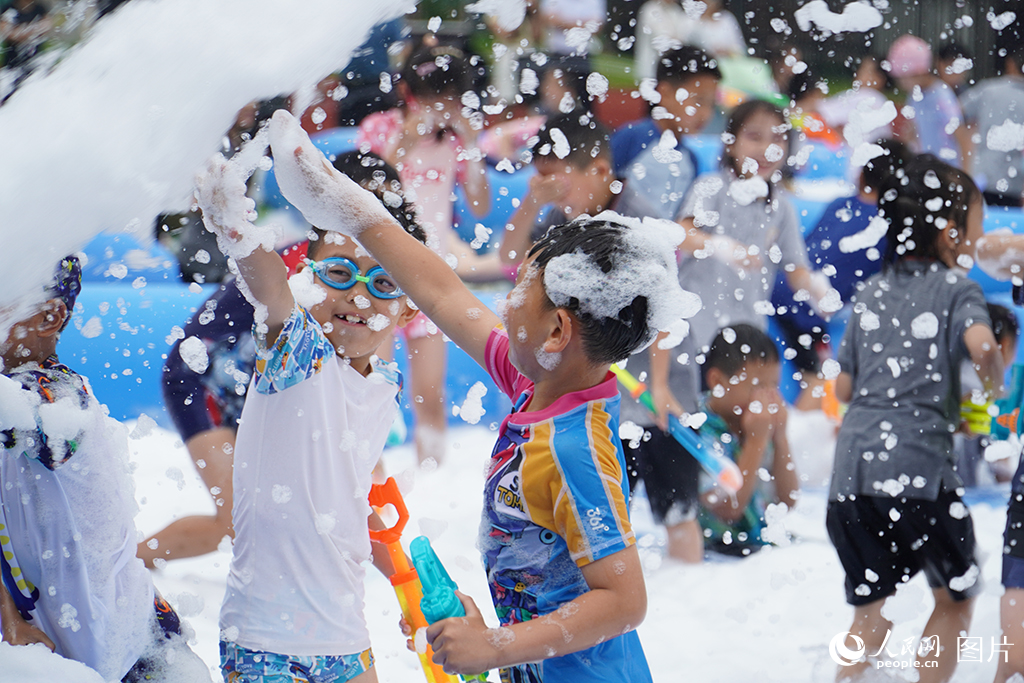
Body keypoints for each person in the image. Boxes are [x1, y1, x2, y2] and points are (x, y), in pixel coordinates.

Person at [267, 108, 700, 682]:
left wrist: (495, 646)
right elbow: (444, 294)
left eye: (524, 286)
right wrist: (355, 210)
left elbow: (624, 601)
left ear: (556, 332)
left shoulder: (574, 448)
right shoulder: (539, 384)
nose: (507, 296)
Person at [193, 147, 427, 683]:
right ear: (310, 276)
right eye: (341, 273)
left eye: (384, 283)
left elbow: (347, 506)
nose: (360, 298)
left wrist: (410, 587)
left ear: (410, 305)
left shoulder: (382, 383)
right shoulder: (300, 353)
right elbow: (269, 287)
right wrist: (234, 226)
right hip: (266, 643)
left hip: (346, 638)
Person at [827, 155, 1003, 682]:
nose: (983, 232)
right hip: (918, 472)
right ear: (951, 232)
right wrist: (991, 389)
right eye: (978, 221)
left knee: (870, 613)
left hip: (850, 475)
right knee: (955, 596)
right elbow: (983, 346)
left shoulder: (870, 292)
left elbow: (844, 387)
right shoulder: (958, 289)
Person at [0, 257, 205, 681]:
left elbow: (25, 420)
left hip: (139, 650)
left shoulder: (57, 393)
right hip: (65, 640)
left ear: (50, 316)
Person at [359, 42, 497, 464]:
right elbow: (365, 190)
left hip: (430, 274)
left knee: (430, 394)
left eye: (450, 97)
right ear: (408, 93)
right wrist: (404, 141)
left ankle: (432, 480)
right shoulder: (379, 127)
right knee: (373, 389)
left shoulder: (456, 142)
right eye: (434, 96)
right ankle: (368, 481)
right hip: (378, 269)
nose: (442, 106)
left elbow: (480, 206)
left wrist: (471, 145)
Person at [660, 99, 831, 417]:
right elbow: (681, 233)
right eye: (754, 137)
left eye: (777, 139)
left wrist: (818, 291)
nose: (767, 148)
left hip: (745, 344)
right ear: (731, 142)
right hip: (698, 336)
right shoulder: (710, 188)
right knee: (695, 418)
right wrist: (718, 245)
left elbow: (797, 271)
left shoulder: (780, 208)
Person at [770, 138, 912, 409]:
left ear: (861, 175)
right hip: (806, 307)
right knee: (821, 377)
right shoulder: (889, 226)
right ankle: (793, 435)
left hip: (781, 285)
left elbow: (803, 252)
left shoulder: (840, 204)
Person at [695, 324, 798, 557]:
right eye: (759, 387)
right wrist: (755, 442)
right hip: (714, 554)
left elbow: (788, 501)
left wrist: (780, 437)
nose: (769, 397)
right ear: (717, 381)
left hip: (757, 548)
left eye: (775, 386)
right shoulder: (699, 427)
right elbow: (728, 509)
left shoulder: (756, 421)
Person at [499, 111, 619, 270]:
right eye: (545, 184)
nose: (554, 196)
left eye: (558, 183)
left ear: (600, 171)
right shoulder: (563, 215)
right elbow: (509, 256)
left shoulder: (636, 218)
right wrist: (531, 203)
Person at [611, 45, 721, 180]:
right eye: (699, 101)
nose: (706, 114)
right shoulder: (632, 139)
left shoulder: (690, 160)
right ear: (665, 93)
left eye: (712, 105)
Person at [886, 35, 971, 169]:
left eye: (903, 78)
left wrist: (966, 173)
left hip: (948, 170)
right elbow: (911, 131)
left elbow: (962, 136)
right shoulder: (914, 95)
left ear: (918, 72)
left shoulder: (941, 95)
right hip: (929, 168)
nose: (901, 84)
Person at [961, 45, 1024, 207]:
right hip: (1015, 180)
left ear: (1010, 64)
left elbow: (957, 111)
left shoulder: (988, 89)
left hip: (983, 174)